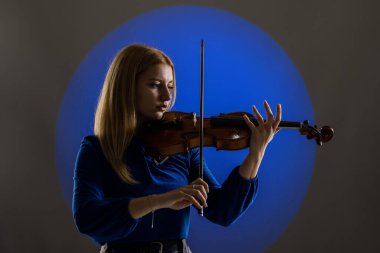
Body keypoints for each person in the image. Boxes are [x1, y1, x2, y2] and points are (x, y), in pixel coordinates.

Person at [72, 44, 282, 253]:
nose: (166, 97)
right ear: (127, 88)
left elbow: (222, 211)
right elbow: (87, 217)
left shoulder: (184, 147)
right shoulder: (97, 149)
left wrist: (256, 153)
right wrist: (162, 200)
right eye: (155, 85)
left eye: (170, 86)